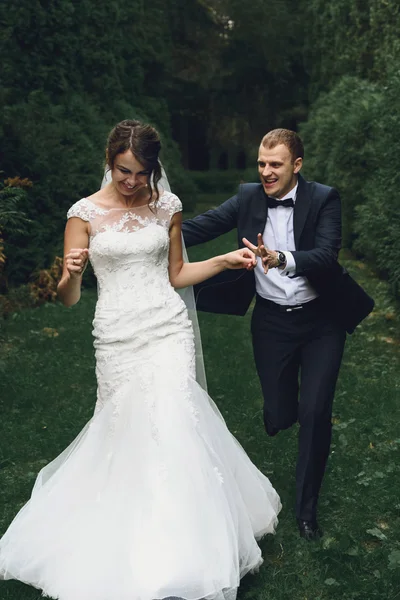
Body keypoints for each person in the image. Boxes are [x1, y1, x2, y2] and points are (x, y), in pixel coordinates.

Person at [0, 120, 281, 600]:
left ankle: (188, 548)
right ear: (109, 161)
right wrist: (69, 275)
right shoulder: (83, 213)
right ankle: (120, 534)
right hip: (116, 334)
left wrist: (222, 261)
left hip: (166, 327)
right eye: (123, 171)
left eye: (141, 172)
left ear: (154, 168)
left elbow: (175, 274)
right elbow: (68, 299)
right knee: (124, 430)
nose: (132, 182)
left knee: (174, 420)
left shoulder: (166, 206)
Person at [182, 128, 374, 541]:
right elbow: (200, 227)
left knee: (315, 412)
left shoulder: (324, 198)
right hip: (271, 323)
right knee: (282, 413)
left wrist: (281, 258)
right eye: (262, 164)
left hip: (322, 320)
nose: (267, 172)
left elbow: (325, 255)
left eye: (276, 165)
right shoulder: (249, 197)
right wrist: (141, 235)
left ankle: (307, 510)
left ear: (297, 166)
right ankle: (278, 412)